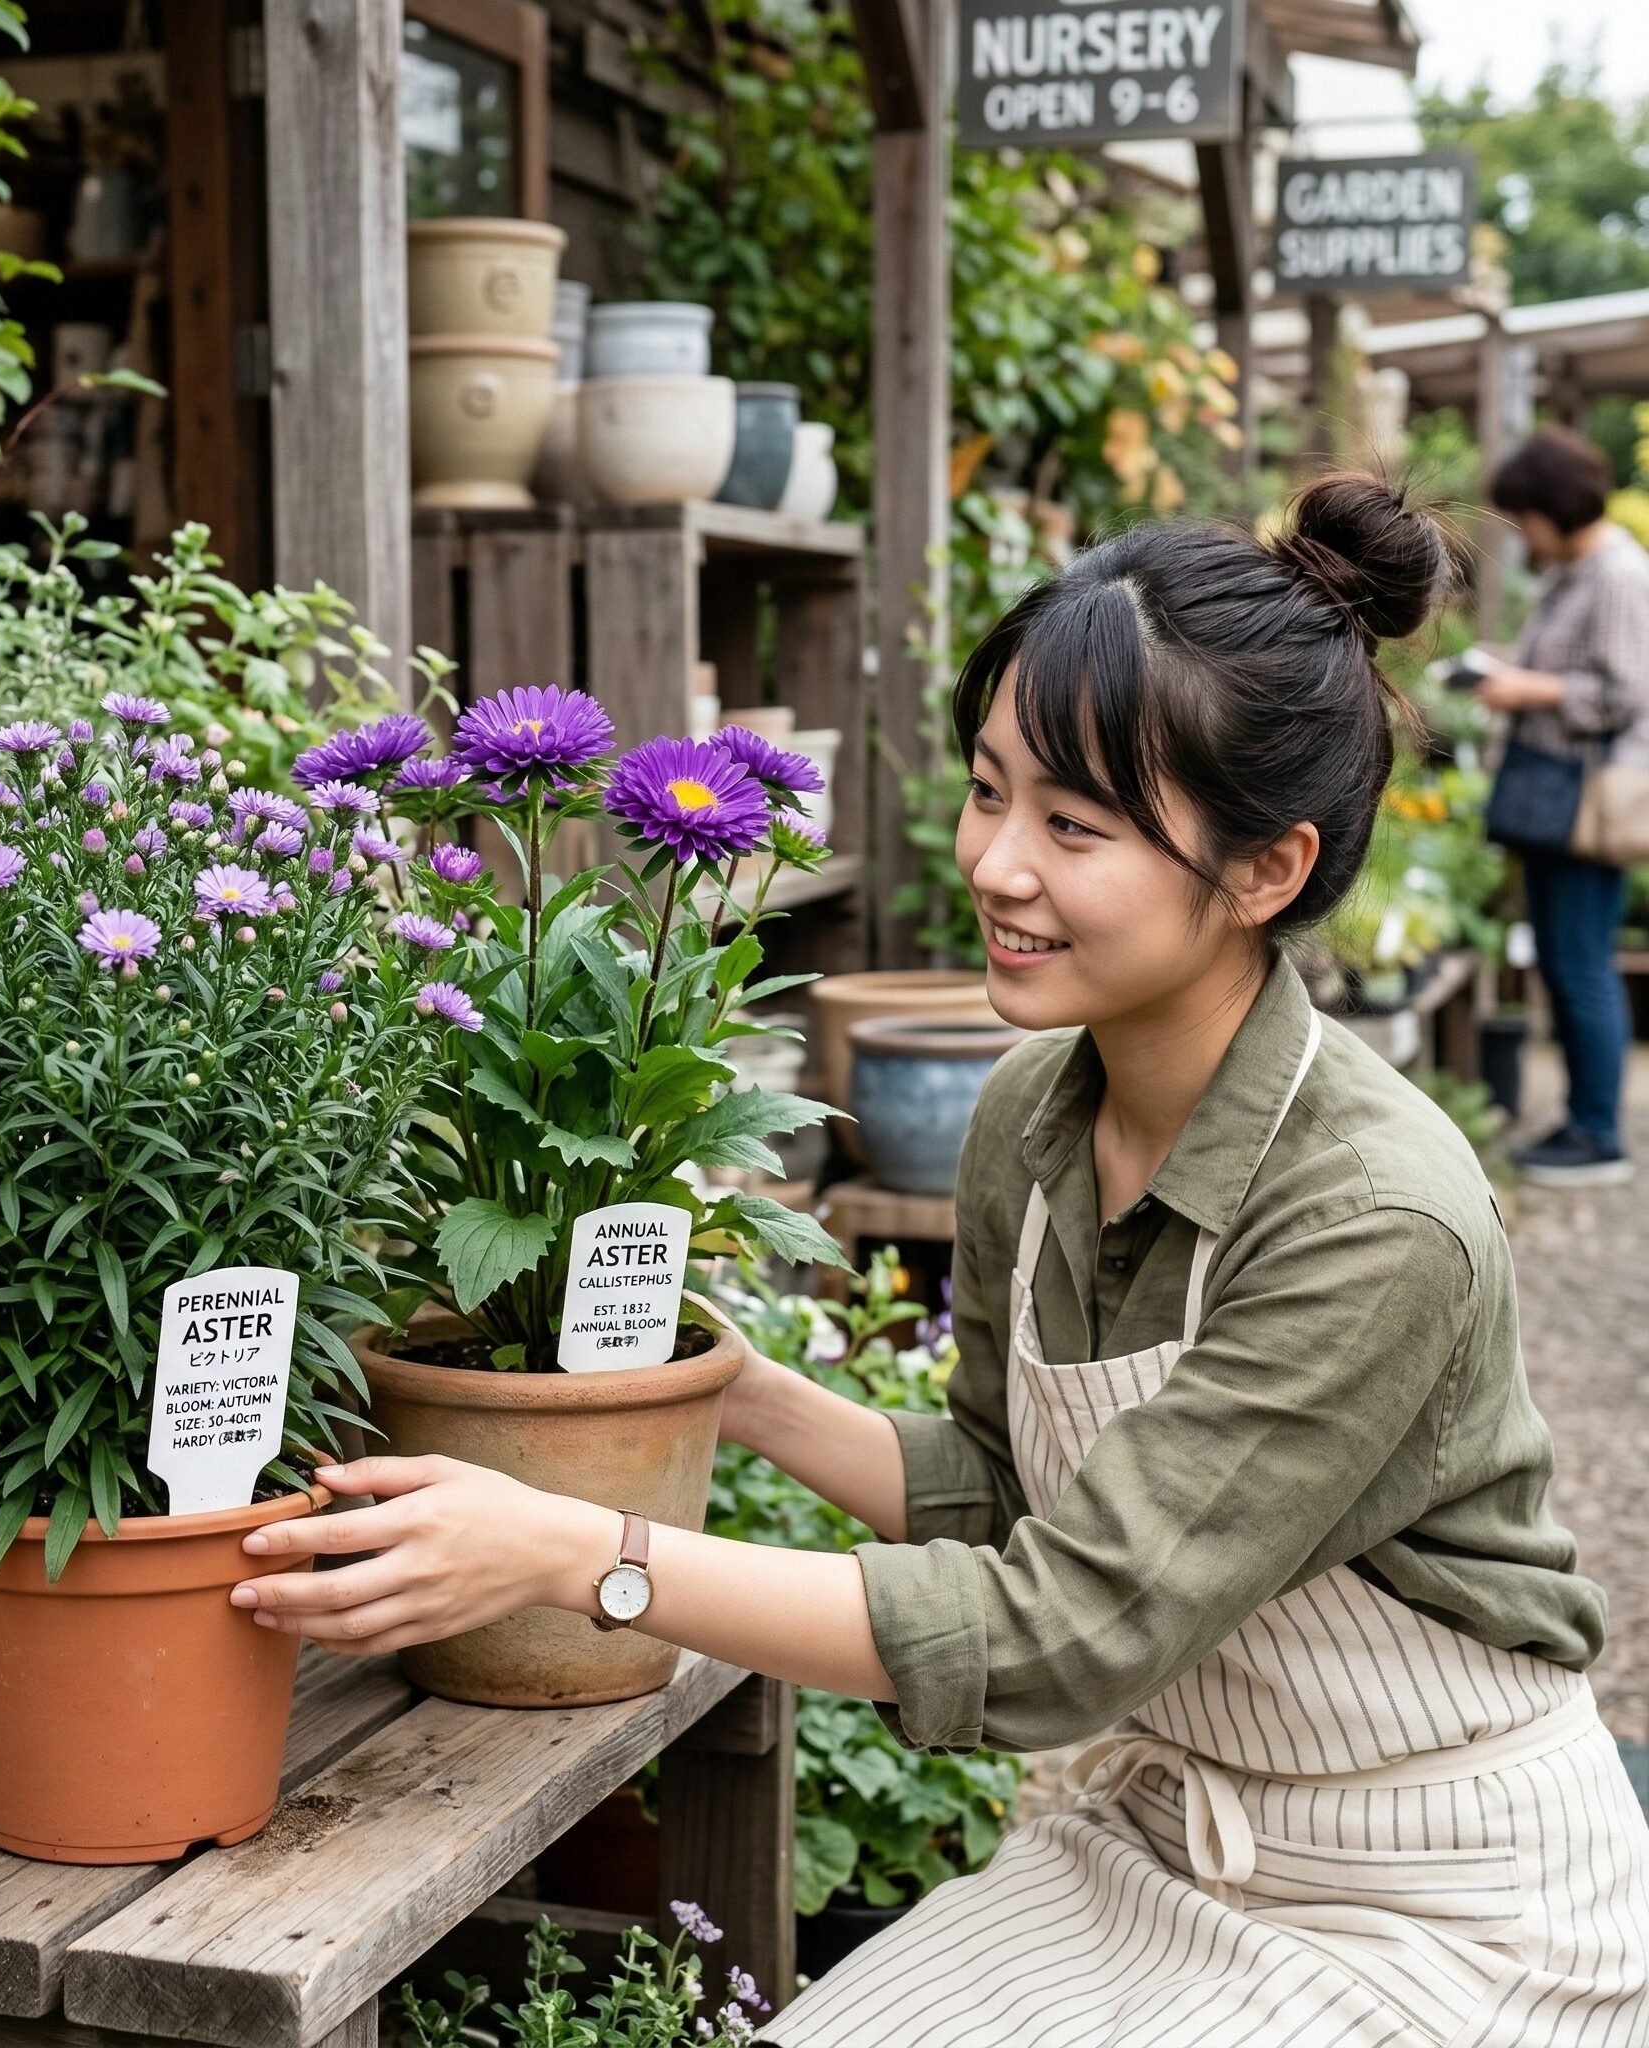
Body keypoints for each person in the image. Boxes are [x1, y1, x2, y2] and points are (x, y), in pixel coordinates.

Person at [231, 476, 1649, 2045]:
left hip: (1442, 1906)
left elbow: (1055, 1635)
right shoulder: (1037, 1113)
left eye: (1075, 826)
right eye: (990, 791)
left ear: (1268, 870)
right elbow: (999, 1485)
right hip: (1166, 1842)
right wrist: (738, 1391)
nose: (996, 865)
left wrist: (580, 1555)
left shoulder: (1370, 1216)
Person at [1480, 426, 1649, 1186]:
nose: (1524, 533)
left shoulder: (1618, 575)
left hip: (1586, 798)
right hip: (1556, 793)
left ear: (1554, 507)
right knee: (1563, 956)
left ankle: (1598, 1135)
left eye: (1526, 516)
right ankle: (1582, 1120)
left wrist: (1527, 690)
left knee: (1580, 962)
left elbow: (1625, 694)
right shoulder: (1574, 573)